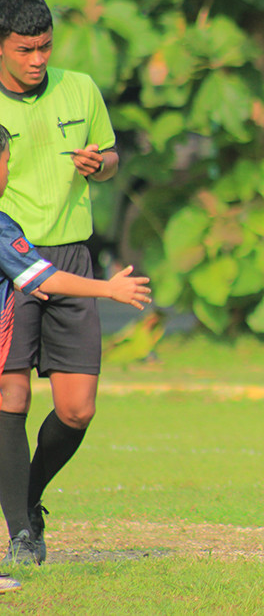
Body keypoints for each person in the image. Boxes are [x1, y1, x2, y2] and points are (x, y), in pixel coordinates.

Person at [0, 0, 122, 565]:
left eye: (45, 47)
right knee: (11, 393)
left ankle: (26, 498)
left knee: (77, 409)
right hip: (11, 259)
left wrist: (101, 165)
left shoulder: (80, 88)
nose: (37, 59)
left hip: (72, 254)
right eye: (25, 49)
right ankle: (22, 532)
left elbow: (114, 157)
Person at [0, 124, 149, 572]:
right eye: (7, 163)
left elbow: (40, 276)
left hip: (66, 256)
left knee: (75, 409)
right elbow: (42, 279)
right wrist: (108, 289)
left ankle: (24, 509)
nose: (8, 173)